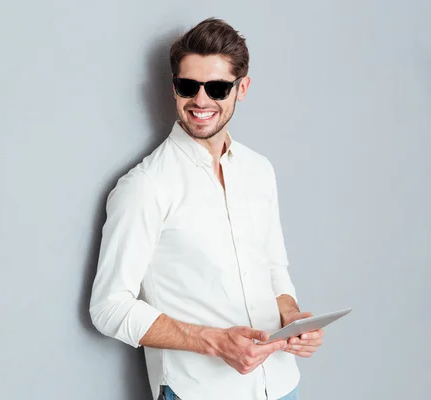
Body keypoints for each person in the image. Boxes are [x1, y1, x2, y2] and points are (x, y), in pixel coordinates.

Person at [89, 18, 323, 400]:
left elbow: (275, 273)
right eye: (188, 86)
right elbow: (109, 307)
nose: (201, 100)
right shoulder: (145, 187)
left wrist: (292, 319)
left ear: (241, 88)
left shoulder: (259, 170)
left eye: (216, 88)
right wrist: (214, 342)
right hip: (200, 391)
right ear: (173, 87)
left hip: (280, 385)